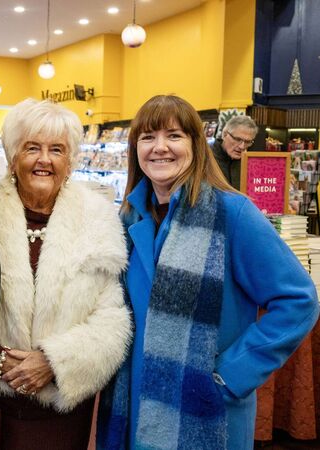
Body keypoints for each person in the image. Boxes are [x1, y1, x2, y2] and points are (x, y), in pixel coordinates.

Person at [97, 95, 319, 450]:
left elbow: (299, 301)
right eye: (148, 137)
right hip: (136, 407)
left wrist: (230, 376)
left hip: (204, 412)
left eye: (174, 135)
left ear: (196, 145)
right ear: (135, 148)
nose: (160, 148)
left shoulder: (233, 215)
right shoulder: (128, 219)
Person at [0, 98, 132, 450]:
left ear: (70, 161)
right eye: (32, 148)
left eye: (57, 150)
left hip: (62, 410)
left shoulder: (97, 219)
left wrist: (55, 361)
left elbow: (112, 320)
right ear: (13, 157)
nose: (44, 160)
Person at [211, 115, 258, 190]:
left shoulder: (250, 164)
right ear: (224, 134)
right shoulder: (205, 158)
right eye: (237, 139)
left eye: (247, 142)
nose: (242, 146)